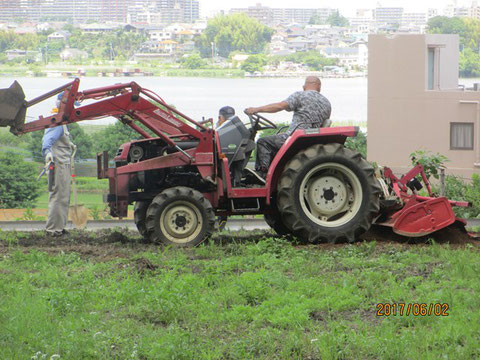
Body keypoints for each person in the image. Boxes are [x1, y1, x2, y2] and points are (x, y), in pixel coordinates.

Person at [245, 76, 331, 178]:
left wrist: (256, 109)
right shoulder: (327, 103)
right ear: (319, 87)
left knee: (263, 142)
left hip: (295, 140)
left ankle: (262, 174)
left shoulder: (300, 95)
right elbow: (321, 126)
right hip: (309, 140)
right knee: (277, 138)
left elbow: (280, 106)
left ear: (304, 86)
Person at [42, 93, 76, 237]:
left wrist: (69, 145)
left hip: (62, 163)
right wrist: (47, 152)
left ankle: (59, 228)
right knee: (59, 197)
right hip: (59, 164)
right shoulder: (58, 123)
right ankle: (53, 230)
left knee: (62, 197)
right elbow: (47, 140)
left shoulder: (61, 122)